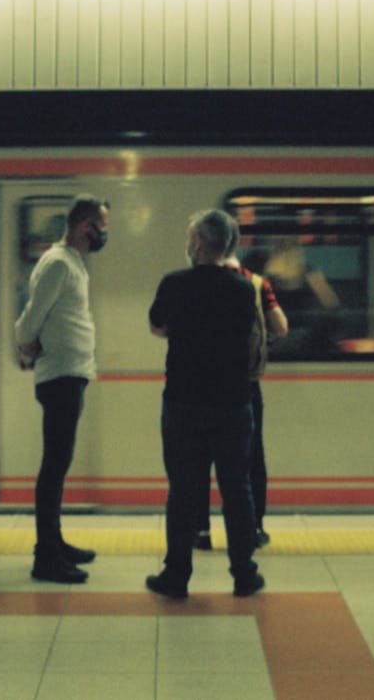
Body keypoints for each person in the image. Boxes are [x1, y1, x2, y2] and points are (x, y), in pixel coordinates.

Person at [147, 209, 264, 599]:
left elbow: (157, 326)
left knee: (183, 490)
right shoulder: (243, 289)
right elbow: (247, 334)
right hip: (233, 403)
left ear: (198, 242)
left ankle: (176, 575)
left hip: (183, 402)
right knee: (237, 489)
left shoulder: (174, 284)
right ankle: (244, 575)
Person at [14, 194, 109, 583]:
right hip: (60, 376)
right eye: (103, 225)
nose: (105, 233)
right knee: (54, 467)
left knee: (59, 465)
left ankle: (55, 542)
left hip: (70, 373)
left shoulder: (71, 263)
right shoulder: (57, 263)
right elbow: (30, 319)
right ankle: (45, 556)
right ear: (86, 225)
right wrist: (24, 344)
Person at [194, 232, 288, 551]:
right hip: (245, 385)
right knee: (249, 459)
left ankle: (200, 531)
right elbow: (281, 327)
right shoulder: (257, 283)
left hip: (203, 384)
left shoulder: (198, 280)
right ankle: (253, 528)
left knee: (200, 458)